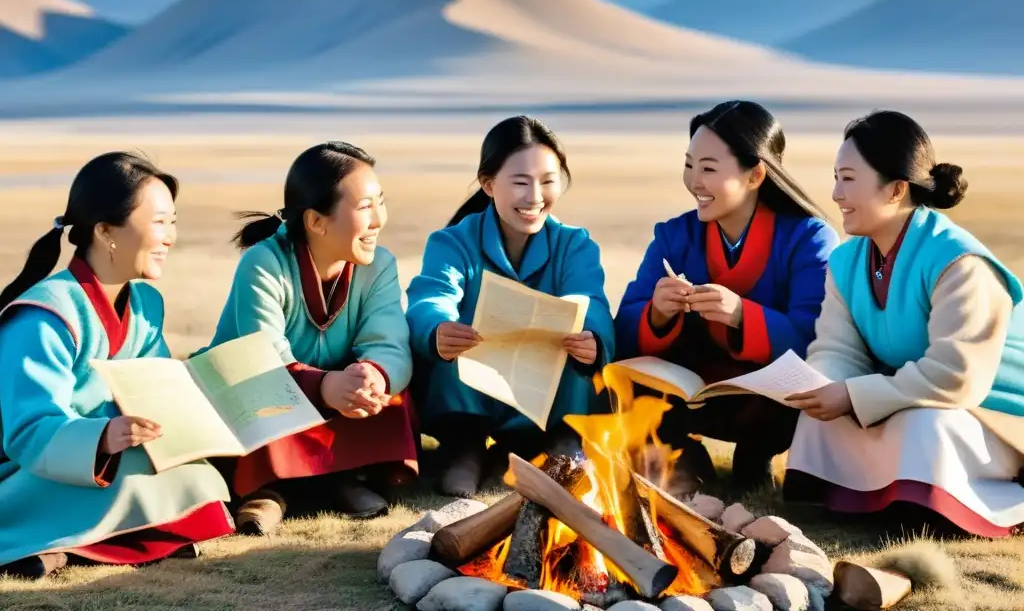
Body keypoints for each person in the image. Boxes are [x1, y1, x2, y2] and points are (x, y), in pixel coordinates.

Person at [785, 110, 1024, 537]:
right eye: (836, 178)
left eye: (849, 179)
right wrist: (823, 387)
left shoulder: (959, 262)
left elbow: (957, 377)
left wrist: (855, 395)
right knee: (826, 416)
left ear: (896, 189)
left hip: (994, 413)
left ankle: (965, 502)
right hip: (910, 395)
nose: (836, 194)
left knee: (923, 426)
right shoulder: (846, 262)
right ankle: (873, 497)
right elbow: (837, 348)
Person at [0, 152, 233, 579]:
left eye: (173, 222)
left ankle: (68, 550)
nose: (170, 238)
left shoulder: (145, 305)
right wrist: (102, 437)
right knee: (163, 482)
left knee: (197, 485)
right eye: (159, 222)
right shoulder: (43, 316)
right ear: (106, 230)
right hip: (35, 469)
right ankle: (50, 544)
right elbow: (28, 432)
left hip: (112, 456)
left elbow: (156, 385)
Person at [614, 100, 839, 491]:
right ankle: (682, 455)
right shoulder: (673, 235)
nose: (694, 181)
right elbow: (626, 324)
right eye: (689, 165)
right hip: (689, 393)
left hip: (766, 404)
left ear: (755, 176)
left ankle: (755, 456)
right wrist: (658, 315)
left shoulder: (808, 238)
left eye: (709, 169)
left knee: (809, 382)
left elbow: (817, 337)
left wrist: (740, 315)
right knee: (619, 375)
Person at [203, 142, 417, 536]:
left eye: (380, 203)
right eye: (365, 207)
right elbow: (262, 358)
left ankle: (336, 479)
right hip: (265, 389)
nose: (378, 220)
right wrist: (325, 386)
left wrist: (373, 377)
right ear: (316, 221)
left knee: (394, 395)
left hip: (332, 396)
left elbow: (389, 344)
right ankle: (268, 491)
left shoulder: (380, 266)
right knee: (256, 398)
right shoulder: (264, 263)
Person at [406, 115, 615, 497]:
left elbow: (592, 298)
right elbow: (431, 296)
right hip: (473, 387)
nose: (535, 196)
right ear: (488, 184)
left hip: (551, 397)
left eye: (548, 181)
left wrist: (591, 336)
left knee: (576, 331)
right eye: (520, 182)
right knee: (457, 332)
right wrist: (437, 329)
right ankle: (464, 448)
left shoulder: (575, 244)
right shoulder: (452, 242)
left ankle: (561, 443)